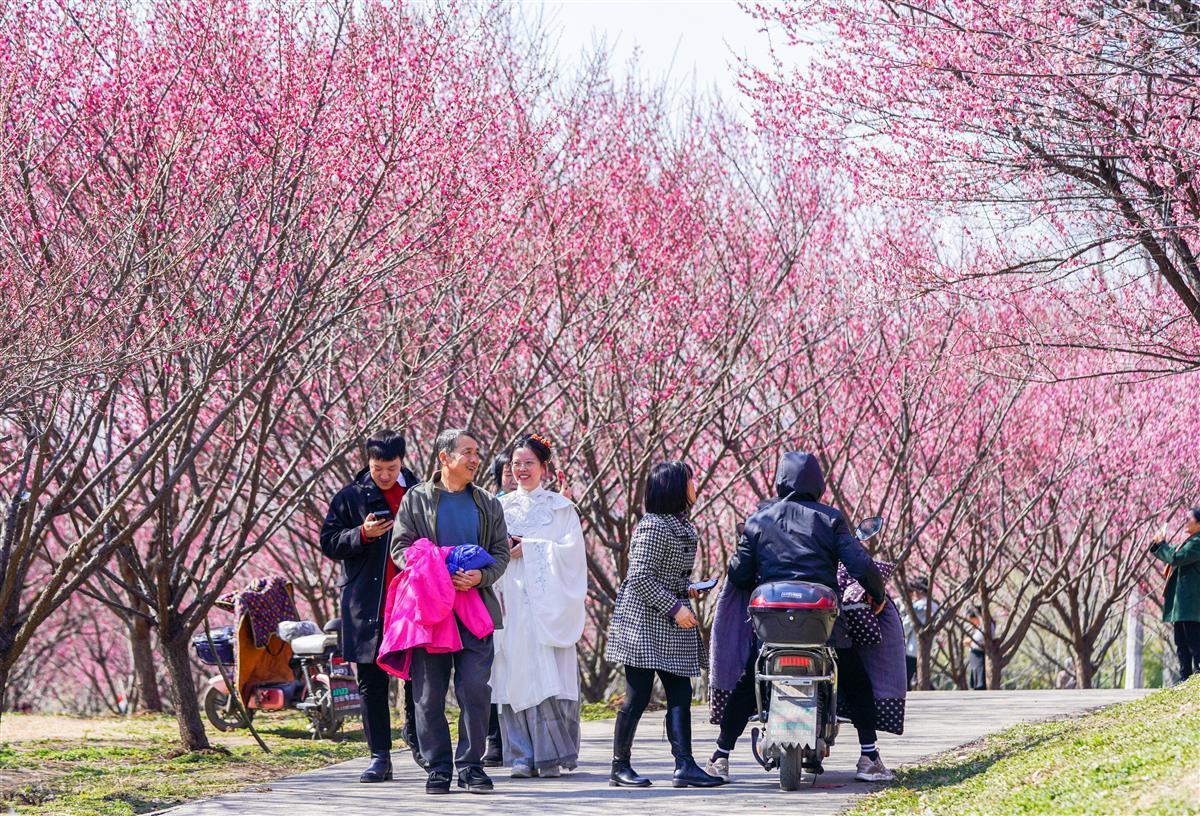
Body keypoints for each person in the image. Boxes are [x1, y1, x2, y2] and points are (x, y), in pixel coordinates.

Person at [710, 451, 892, 783]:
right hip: (822, 623)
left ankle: (720, 757)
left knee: (749, 678)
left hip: (771, 622)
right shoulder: (830, 519)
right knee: (854, 677)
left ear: (780, 480)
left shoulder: (758, 520)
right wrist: (877, 595)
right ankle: (869, 756)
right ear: (818, 483)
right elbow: (860, 565)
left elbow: (738, 574)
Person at [391, 429, 511, 795]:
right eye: (467, 452)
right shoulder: (416, 499)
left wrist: (481, 576)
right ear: (444, 458)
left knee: (475, 689)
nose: (475, 459)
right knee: (428, 694)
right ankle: (438, 767)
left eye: (476, 452)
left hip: (474, 608)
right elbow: (400, 549)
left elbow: (500, 552)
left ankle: (471, 766)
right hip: (430, 610)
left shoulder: (487, 502)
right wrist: (436, 568)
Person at [604, 461, 726, 789]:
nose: (695, 485)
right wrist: (675, 607)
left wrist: (687, 588)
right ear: (675, 488)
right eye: (690, 480)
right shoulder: (654, 526)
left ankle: (684, 765)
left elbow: (662, 573)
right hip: (644, 621)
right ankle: (619, 766)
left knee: (680, 691)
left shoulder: (679, 524)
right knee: (638, 694)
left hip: (667, 619)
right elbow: (640, 577)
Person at [319, 429, 422, 783]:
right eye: (378, 468)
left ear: (402, 462)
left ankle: (417, 739)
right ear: (368, 461)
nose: (384, 475)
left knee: (419, 677)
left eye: (391, 468)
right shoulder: (350, 497)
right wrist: (361, 535)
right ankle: (380, 756)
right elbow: (329, 541)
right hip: (368, 604)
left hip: (412, 603)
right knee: (372, 682)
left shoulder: (419, 493)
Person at [492, 434, 588, 778]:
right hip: (511, 602)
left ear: (544, 467)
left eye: (529, 463)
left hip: (547, 607)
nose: (521, 469)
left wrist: (530, 549)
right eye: (516, 463)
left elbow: (573, 556)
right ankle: (521, 754)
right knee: (514, 673)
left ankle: (551, 755)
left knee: (549, 674)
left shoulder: (561, 509)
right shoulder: (498, 508)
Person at [482, 446, 516, 766]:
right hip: (494, 593)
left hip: (526, 599)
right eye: (508, 471)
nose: (515, 475)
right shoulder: (488, 507)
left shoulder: (542, 506)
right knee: (493, 668)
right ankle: (494, 738)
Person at [1149, 508, 1200, 682]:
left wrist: (1162, 545)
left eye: (1189, 518)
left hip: (1191, 604)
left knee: (1193, 642)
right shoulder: (1191, 541)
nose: (1185, 521)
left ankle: (1196, 677)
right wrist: (1158, 545)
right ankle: (1185, 678)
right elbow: (1174, 555)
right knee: (1181, 642)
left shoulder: (1197, 543)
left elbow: (1176, 557)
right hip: (1182, 604)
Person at [900, 577, 937, 689]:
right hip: (928, 647)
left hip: (912, 648)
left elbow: (905, 627)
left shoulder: (918, 606)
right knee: (923, 676)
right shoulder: (934, 605)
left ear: (919, 590)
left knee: (905, 678)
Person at [965, 607, 987, 691]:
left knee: (980, 684)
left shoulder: (985, 627)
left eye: (971, 619)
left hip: (979, 658)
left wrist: (970, 642)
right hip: (975, 659)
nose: (971, 622)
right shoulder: (979, 628)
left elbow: (980, 640)